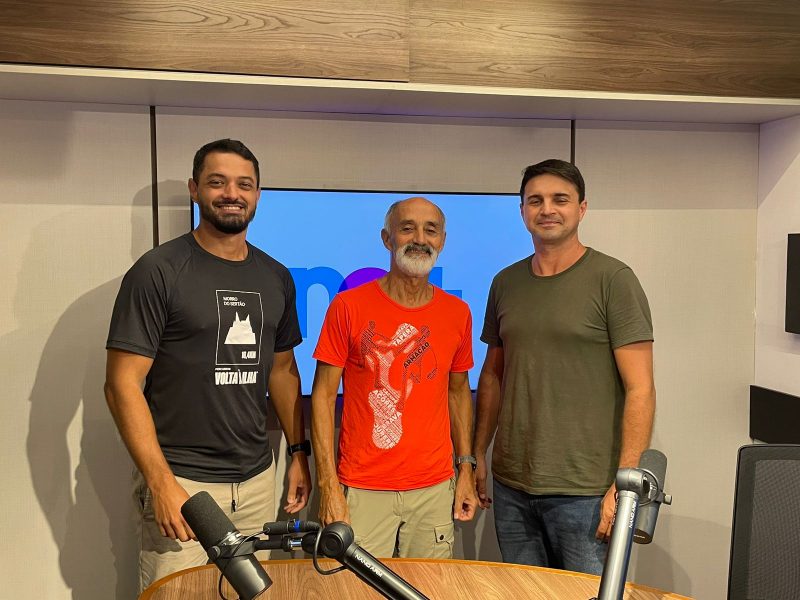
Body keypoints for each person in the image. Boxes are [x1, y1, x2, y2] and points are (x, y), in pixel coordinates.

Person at [104, 139, 311, 591]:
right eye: (217, 182)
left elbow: (282, 371)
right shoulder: (158, 271)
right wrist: (160, 484)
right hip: (183, 481)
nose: (231, 193)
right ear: (195, 189)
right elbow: (121, 385)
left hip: (256, 482)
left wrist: (299, 453)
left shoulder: (276, 276)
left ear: (258, 195)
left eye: (244, 184)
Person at [474, 159, 655, 575]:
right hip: (512, 484)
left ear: (582, 208)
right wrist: (477, 454)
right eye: (535, 200)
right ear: (522, 211)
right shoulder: (505, 282)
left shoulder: (613, 279)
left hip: (587, 491)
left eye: (560, 199)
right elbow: (493, 376)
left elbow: (641, 389)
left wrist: (623, 485)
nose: (547, 209)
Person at [311, 196, 479, 558]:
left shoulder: (457, 313)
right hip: (362, 488)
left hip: (434, 490)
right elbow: (323, 398)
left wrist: (465, 469)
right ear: (387, 239)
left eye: (430, 230)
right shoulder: (348, 306)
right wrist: (328, 487)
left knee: (428, 592)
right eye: (407, 228)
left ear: (442, 241)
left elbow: (458, 391)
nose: (419, 238)